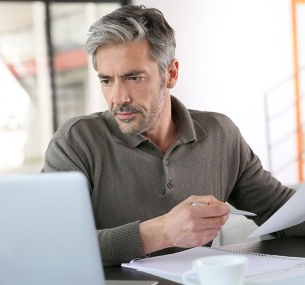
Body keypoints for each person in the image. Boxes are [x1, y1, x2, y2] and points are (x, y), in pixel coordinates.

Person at [42, 4, 305, 266]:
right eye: (107, 80)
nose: (118, 98)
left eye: (133, 78)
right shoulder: (75, 142)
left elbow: (283, 214)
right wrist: (161, 232)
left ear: (171, 73)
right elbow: (53, 245)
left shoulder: (220, 135)